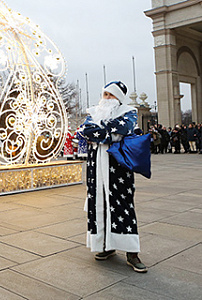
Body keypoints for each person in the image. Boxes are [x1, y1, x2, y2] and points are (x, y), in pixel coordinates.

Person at [79, 81, 147, 273]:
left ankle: (132, 252)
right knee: (98, 206)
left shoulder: (129, 112)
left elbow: (121, 130)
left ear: (119, 98)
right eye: (105, 94)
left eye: (111, 95)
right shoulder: (93, 112)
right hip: (95, 171)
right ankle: (105, 246)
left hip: (117, 170)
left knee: (122, 205)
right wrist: (106, 132)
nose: (106, 98)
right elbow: (85, 131)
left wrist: (100, 133)